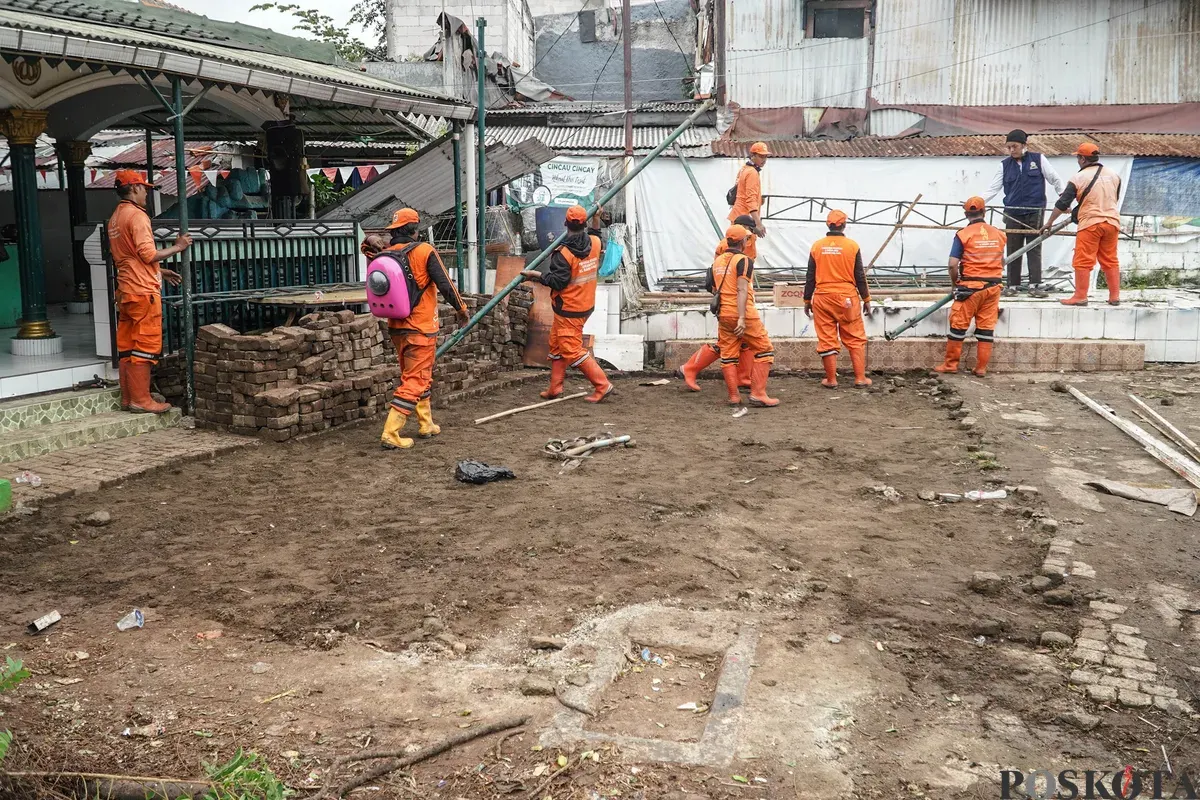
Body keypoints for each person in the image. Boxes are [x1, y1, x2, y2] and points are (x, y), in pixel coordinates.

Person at [374, 208, 469, 450]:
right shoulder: (425, 251)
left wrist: (368, 240)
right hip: (421, 328)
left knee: (418, 375)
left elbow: (368, 251)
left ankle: (426, 424)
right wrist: (461, 309)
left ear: (394, 232)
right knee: (415, 380)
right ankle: (391, 432)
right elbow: (446, 284)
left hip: (397, 327)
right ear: (415, 230)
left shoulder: (386, 253)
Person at [106, 169, 193, 414]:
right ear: (134, 188)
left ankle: (128, 398)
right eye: (144, 188)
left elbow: (129, 258)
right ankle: (141, 400)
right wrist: (178, 246)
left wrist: (160, 271)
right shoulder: (137, 216)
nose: (146, 192)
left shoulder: (115, 218)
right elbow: (148, 254)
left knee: (127, 348)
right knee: (145, 347)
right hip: (143, 292)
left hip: (126, 291)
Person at [521, 205, 613, 403]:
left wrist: (535, 275)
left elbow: (557, 282)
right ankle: (555, 387)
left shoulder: (564, 254)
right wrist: (597, 218)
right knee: (557, 343)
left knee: (571, 348)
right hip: (585, 304)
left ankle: (602, 385)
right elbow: (595, 233)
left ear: (565, 223)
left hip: (569, 308)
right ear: (585, 223)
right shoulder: (595, 243)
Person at [678, 214, 761, 393]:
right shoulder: (729, 246)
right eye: (750, 232)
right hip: (733, 301)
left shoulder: (735, 243)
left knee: (742, 342)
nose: (751, 236)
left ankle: (743, 378)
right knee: (728, 343)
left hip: (735, 300)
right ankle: (691, 368)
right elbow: (727, 275)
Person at [982, 129, 1064, 297]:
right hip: (1013, 212)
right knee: (1013, 247)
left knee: (1034, 246)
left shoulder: (1039, 159)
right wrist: (978, 202)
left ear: (1024, 145)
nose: (1012, 150)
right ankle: (1012, 285)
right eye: (1009, 147)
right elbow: (993, 189)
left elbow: (1055, 179)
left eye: (1015, 146)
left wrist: (1063, 197)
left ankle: (1035, 284)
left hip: (1035, 211)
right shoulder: (1004, 165)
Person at [934, 197, 1006, 377]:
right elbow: (1001, 260)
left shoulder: (963, 234)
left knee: (958, 326)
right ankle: (981, 368)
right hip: (993, 287)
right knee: (986, 327)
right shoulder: (999, 234)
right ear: (985, 212)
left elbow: (952, 264)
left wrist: (954, 284)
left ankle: (951, 365)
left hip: (970, 288)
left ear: (966, 214)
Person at [707, 224, 778, 407]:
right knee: (764, 349)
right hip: (742, 313)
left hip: (723, 314)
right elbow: (741, 289)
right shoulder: (744, 260)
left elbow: (714, 288)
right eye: (747, 238)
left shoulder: (718, 261)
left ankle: (733, 396)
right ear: (743, 242)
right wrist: (741, 317)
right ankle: (758, 394)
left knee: (728, 355)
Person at [1045, 143, 1123, 307]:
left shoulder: (1078, 178)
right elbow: (1114, 197)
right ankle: (1114, 296)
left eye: (1078, 157)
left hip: (1090, 224)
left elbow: (1062, 203)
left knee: (1083, 260)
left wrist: (1049, 222)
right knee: (1110, 260)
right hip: (1112, 222)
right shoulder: (1114, 175)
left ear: (1082, 158)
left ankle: (1080, 296)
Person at [804, 210, 872, 389]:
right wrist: (866, 299)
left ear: (828, 225)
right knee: (855, 337)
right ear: (844, 225)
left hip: (822, 298)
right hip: (847, 299)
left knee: (827, 338)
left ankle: (831, 380)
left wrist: (806, 300)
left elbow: (810, 276)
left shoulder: (817, 246)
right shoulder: (852, 246)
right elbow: (859, 276)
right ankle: (860, 378)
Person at [729, 142, 770, 238]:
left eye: (765, 157)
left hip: (738, 217)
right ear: (752, 155)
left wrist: (759, 200)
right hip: (744, 221)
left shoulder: (744, 169)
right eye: (761, 156)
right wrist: (758, 223)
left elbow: (741, 193)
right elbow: (750, 200)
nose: (764, 160)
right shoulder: (752, 173)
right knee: (745, 250)